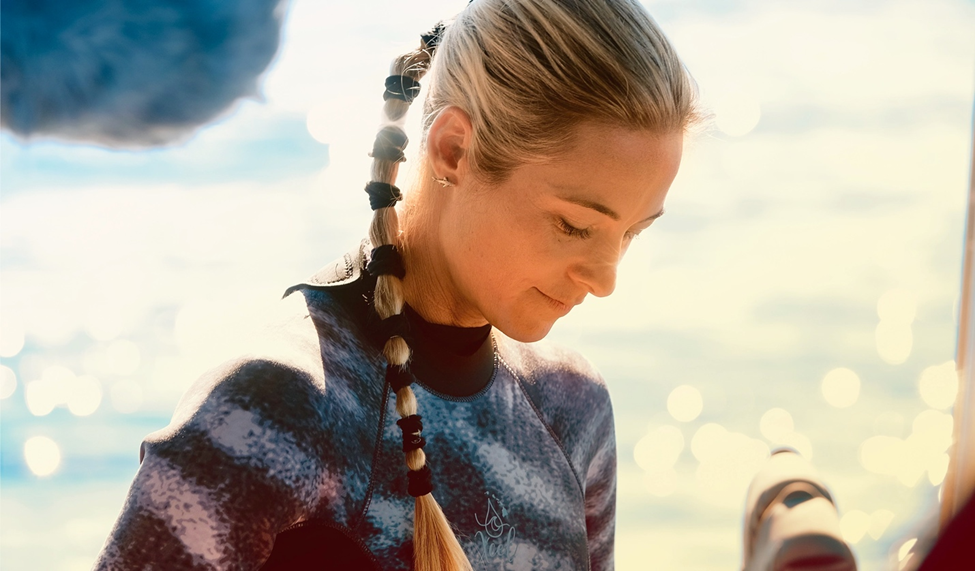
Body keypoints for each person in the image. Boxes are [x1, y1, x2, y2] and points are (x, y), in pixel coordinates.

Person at [93, 0, 699, 569]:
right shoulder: (271, 412)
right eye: (574, 225)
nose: (605, 279)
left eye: (632, 233)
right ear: (455, 150)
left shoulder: (571, 409)